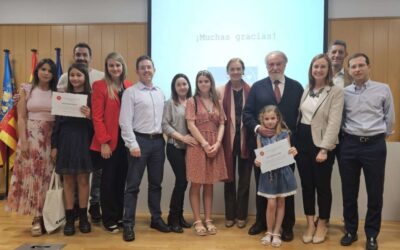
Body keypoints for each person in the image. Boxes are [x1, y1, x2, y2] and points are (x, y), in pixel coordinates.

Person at [242, 51, 303, 240]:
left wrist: (295, 145)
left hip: (286, 150)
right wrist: (258, 128)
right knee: (263, 187)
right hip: (264, 150)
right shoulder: (257, 87)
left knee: (286, 189)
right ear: (266, 66)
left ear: (285, 64)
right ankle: (261, 222)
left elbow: (301, 118)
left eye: (278, 64)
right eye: (270, 64)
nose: (274, 67)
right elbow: (247, 114)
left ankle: (287, 226)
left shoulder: (296, 87)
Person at [339, 53, 395, 250]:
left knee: (375, 192)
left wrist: (378, 137)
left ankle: (372, 235)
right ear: (349, 70)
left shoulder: (383, 89)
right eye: (353, 67)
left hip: (374, 145)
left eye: (361, 65)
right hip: (349, 145)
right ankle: (351, 231)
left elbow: (389, 118)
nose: (357, 69)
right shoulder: (343, 92)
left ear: (368, 67)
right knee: (349, 191)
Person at [6, 58, 58, 236]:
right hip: (31, 138)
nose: (46, 73)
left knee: (48, 177)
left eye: (50, 71)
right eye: (43, 69)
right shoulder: (26, 89)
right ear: (37, 71)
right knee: (34, 177)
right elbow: (21, 117)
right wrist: (24, 140)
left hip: (52, 139)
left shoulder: (58, 91)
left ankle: (49, 217)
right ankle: (36, 218)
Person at [119, 55, 168, 241]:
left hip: (158, 143)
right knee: (132, 186)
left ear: (154, 69)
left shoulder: (160, 92)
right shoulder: (131, 92)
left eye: (149, 67)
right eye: (142, 68)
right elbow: (124, 122)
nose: (146, 70)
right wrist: (132, 144)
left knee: (156, 184)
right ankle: (128, 224)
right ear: (137, 71)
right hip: (139, 142)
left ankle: (156, 219)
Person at [295, 54, 344, 244]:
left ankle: (322, 223)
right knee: (307, 185)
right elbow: (302, 116)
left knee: (322, 187)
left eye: (323, 67)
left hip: (322, 143)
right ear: (311, 69)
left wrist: (324, 149)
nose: (318, 70)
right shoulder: (307, 88)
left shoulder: (335, 91)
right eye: (315, 66)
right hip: (303, 141)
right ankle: (309, 223)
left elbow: (334, 122)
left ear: (329, 70)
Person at [57, 42, 104, 223]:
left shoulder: (100, 76)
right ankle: (74, 212)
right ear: (74, 56)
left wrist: (91, 116)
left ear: (90, 57)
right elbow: (57, 106)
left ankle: (93, 206)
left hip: (89, 137)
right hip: (68, 137)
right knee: (71, 178)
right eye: (78, 55)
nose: (81, 58)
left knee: (92, 177)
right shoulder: (63, 77)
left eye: (85, 55)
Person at [91, 52, 132, 233]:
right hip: (109, 142)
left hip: (126, 142)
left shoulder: (129, 86)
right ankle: (108, 218)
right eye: (111, 66)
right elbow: (97, 117)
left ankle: (119, 216)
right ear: (107, 68)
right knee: (108, 182)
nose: (115, 69)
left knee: (121, 181)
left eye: (118, 65)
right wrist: (104, 142)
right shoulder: (99, 86)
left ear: (123, 67)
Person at [51, 63, 93, 236]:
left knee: (83, 180)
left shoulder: (92, 97)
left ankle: (83, 217)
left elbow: (97, 124)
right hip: (66, 141)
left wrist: (90, 116)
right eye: (72, 75)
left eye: (79, 75)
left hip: (84, 141)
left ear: (85, 77)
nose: (75, 78)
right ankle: (69, 219)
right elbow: (57, 123)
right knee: (67, 180)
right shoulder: (62, 96)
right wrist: (54, 146)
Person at [185, 70, 227, 236]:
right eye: (200, 81)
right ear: (197, 84)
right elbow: (190, 125)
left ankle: (208, 219)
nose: (203, 84)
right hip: (197, 146)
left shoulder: (217, 101)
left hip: (215, 145)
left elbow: (222, 124)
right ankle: (197, 220)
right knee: (196, 183)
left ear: (211, 83)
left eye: (206, 81)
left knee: (209, 183)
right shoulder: (191, 101)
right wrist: (204, 143)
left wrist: (217, 143)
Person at [254, 105, 298, 247]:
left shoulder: (285, 134)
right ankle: (269, 231)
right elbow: (260, 155)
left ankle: (277, 232)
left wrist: (293, 151)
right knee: (271, 204)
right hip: (269, 175)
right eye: (267, 119)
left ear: (278, 118)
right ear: (262, 120)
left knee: (281, 202)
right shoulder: (260, 135)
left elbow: (289, 152)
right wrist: (257, 161)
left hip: (284, 173)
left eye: (273, 118)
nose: (270, 121)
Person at [217, 58, 252, 229]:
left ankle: (242, 215)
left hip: (246, 141)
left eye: (238, 68)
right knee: (229, 180)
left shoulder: (251, 90)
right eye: (232, 69)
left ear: (243, 70)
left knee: (244, 181)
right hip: (227, 142)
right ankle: (230, 215)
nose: (236, 72)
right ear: (228, 71)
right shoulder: (220, 91)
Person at [162, 73, 196, 233]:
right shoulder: (169, 103)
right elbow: (165, 125)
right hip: (174, 146)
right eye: (179, 84)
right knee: (181, 181)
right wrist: (182, 137)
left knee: (184, 183)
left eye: (185, 84)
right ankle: (172, 218)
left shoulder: (193, 103)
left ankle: (180, 217)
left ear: (189, 85)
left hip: (189, 149)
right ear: (174, 88)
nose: (182, 87)